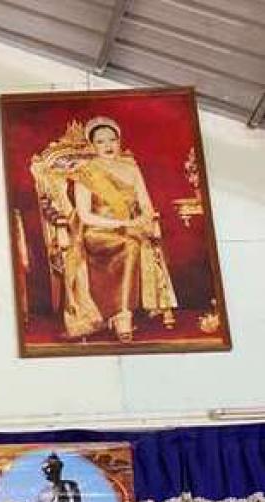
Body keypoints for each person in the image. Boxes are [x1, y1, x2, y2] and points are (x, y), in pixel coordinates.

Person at [71, 116, 177, 343]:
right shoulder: (86, 173)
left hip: (129, 229)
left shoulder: (131, 168)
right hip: (97, 233)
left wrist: (143, 220)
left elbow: (146, 205)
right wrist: (124, 224)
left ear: (119, 141)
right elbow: (85, 216)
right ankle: (122, 315)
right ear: (92, 145)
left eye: (112, 140)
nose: (108, 145)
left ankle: (124, 312)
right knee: (130, 245)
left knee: (136, 242)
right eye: (100, 141)